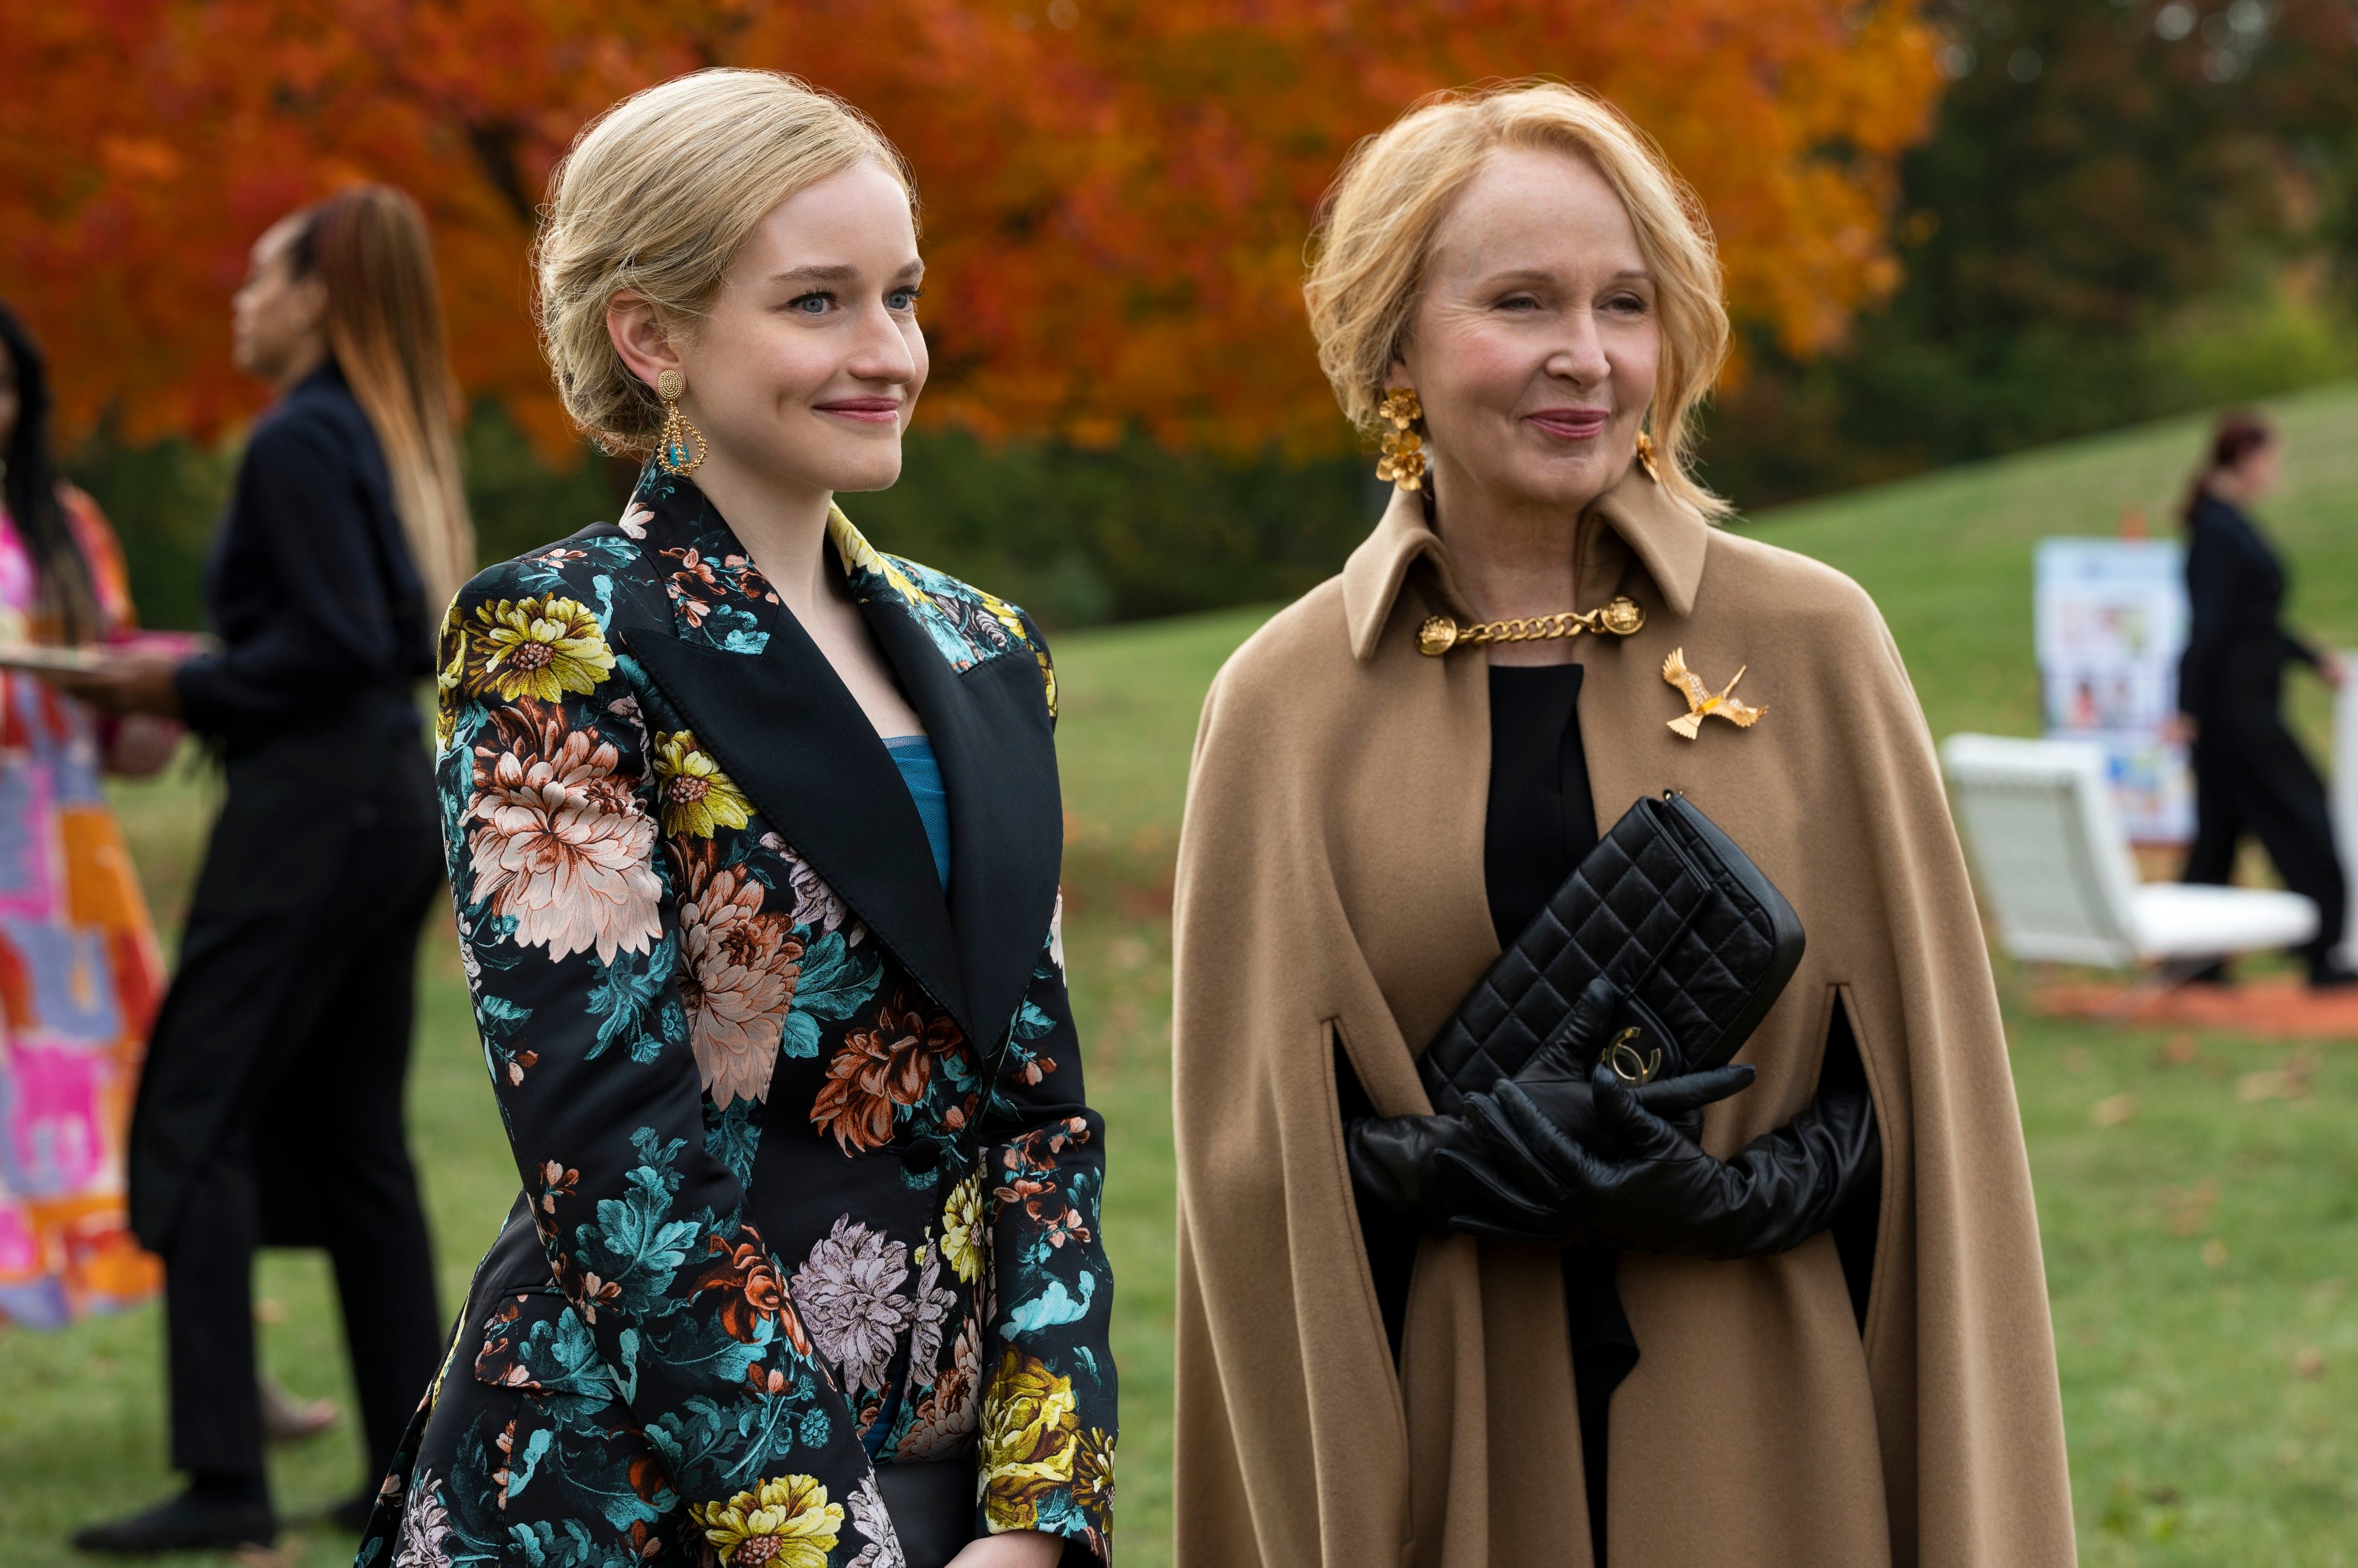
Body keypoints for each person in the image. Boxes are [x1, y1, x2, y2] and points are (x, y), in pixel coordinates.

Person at [1170, 83, 2074, 1567]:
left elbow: (1929, 1106)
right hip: (1448, 1431)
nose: (1583, 359)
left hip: (1772, 1428)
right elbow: (1247, 1165)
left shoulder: (1812, 643)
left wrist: (1736, 1189)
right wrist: (1427, 1164)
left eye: (1624, 305)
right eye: (1518, 302)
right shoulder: (1282, 702)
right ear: (1392, 341)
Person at [356, 70, 1114, 1568]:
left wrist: (1041, 1515)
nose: (887, 351)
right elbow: (617, 1155)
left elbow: (1040, 1120)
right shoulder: (553, 639)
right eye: (817, 303)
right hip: (637, 1491)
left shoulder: (984, 645)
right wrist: (820, 1542)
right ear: (653, 335)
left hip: (962, 1498)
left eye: (899, 295)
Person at [58, 185, 468, 1553]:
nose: (240, 301)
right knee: (359, 1151)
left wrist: (177, 687)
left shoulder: (301, 438)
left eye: (260, 279)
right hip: (387, 804)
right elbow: (383, 645)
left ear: (316, 299)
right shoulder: (384, 432)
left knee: (196, 1118)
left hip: (308, 815)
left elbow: (338, 648)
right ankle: (416, 1473)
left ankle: (224, 1480)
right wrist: (210, 673)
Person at [0, 303, 174, 1331]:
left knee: (122, 1104)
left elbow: (112, 709)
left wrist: (156, 696)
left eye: (7, 383)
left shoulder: (71, 525)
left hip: (65, 864)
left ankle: (223, 1381)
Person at [2174, 410, 2351, 986]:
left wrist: (2311, 658)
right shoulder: (2218, 530)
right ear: (2247, 458)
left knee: (2219, 833)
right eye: (2270, 459)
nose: (2275, 471)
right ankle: (2324, 949)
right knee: (2304, 814)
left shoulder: (2227, 524)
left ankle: (2195, 961)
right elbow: (2209, 627)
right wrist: (2189, 707)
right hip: (2238, 710)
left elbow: (2259, 621)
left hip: (2244, 702)